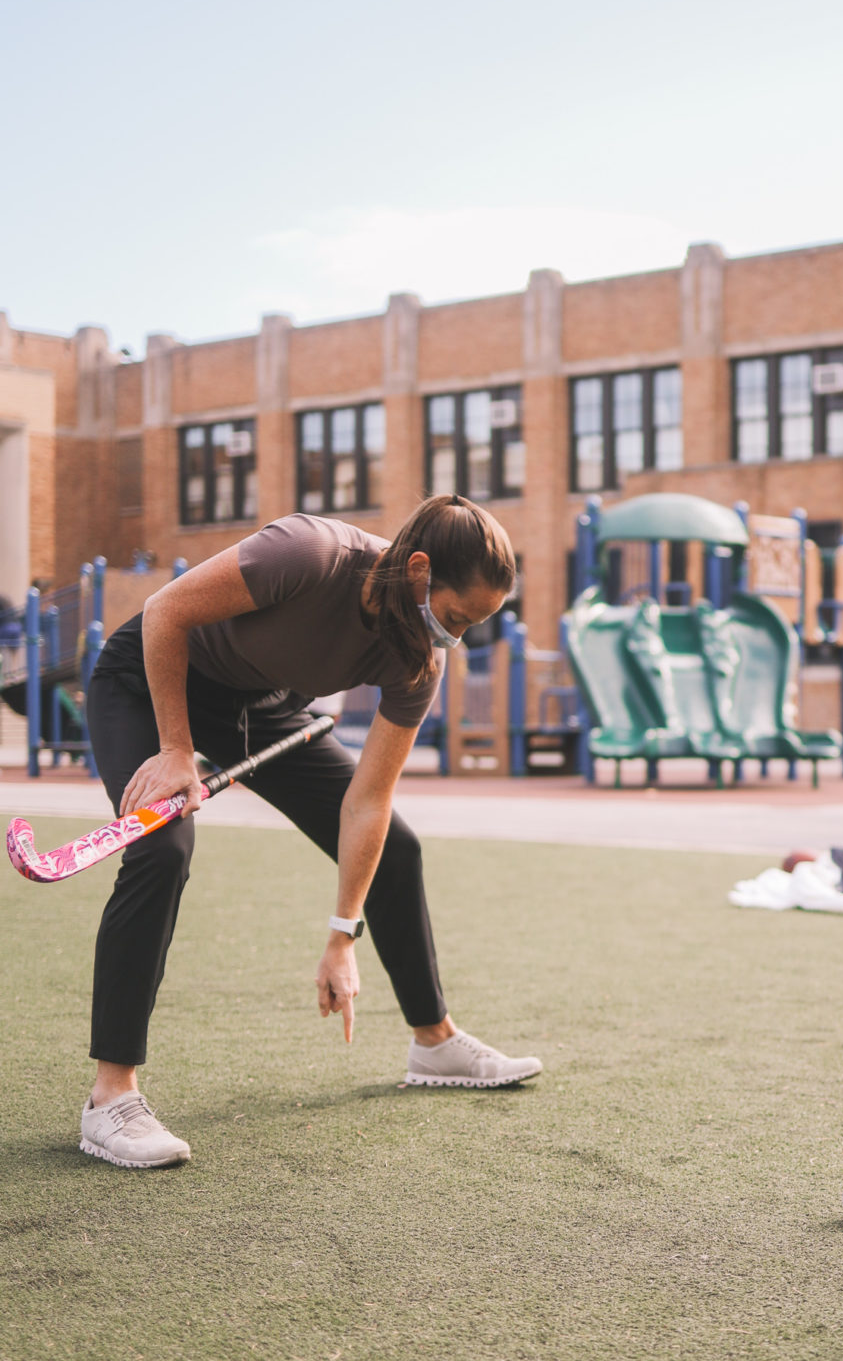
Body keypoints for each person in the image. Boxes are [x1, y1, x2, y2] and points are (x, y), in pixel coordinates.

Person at [79, 496, 542, 1171]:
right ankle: (110, 1098)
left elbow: (368, 803)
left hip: (259, 707)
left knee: (397, 850)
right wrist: (176, 746)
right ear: (419, 572)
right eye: (454, 618)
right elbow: (166, 611)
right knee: (161, 846)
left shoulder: (417, 662)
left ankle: (434, 1041)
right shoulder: (307, 554)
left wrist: (341, 933)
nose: (455, 638)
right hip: (151, 677)